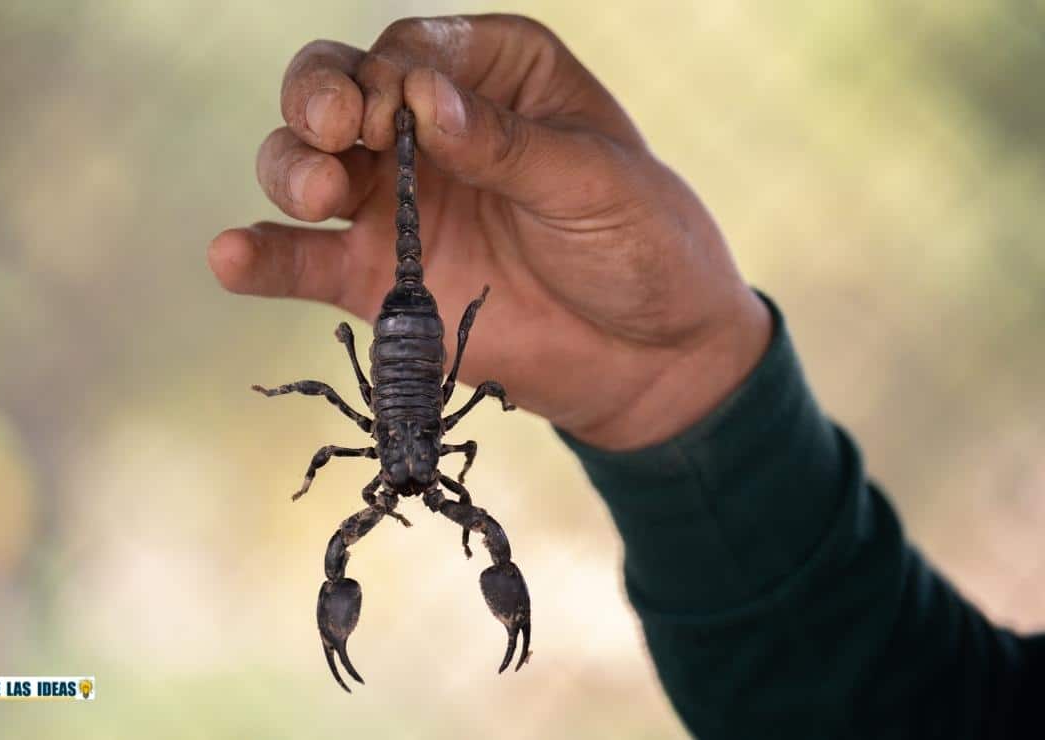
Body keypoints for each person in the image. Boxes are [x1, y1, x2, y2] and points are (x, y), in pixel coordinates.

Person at [206, 14, 1042, 738]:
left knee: (359, 506)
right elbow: (924, 713)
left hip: (403, 351)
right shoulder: (440, 465)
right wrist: (680, 387)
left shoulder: (390, 475)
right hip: (422, 354)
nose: (422, 492)